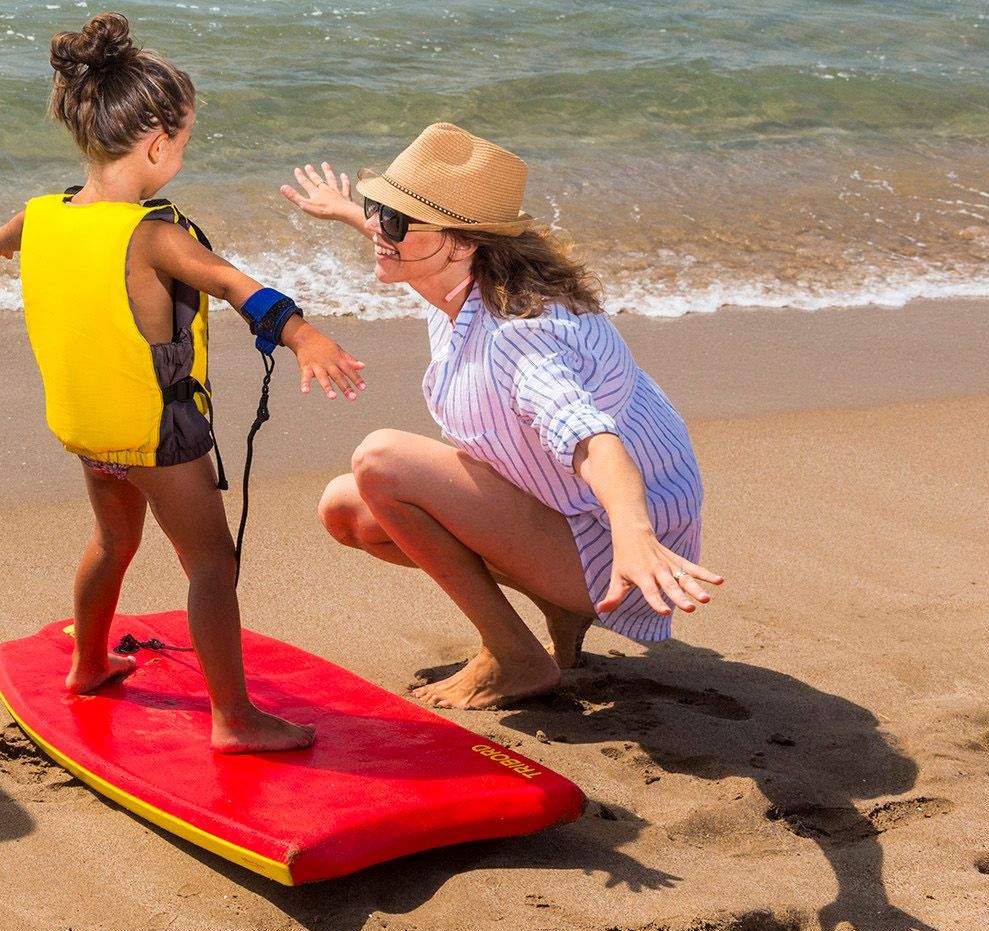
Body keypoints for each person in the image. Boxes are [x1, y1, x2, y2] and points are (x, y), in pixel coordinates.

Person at [0, 14, 366, 753]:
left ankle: (87, 664)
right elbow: (240, 288)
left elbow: (22, 224)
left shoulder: (52, 213)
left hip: (88, 429)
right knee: (211, 562)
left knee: (112, 541)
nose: (182, 151)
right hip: (158, 436)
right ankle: (235, 720)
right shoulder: (153, 234)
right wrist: (305, 335)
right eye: (183, 140)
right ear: (157, 144)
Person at [282, 124, 722, 710]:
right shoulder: (470, 278)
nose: (379, 231)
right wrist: (348, 212)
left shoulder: (522, 337)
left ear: (464, 243)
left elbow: (590, 437)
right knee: (349, 511)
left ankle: (513, 655)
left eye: (393, 220)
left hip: (620, 550)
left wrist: (632, 533)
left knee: (380, 461)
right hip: (574, 513)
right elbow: (421, 240)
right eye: (378, 209)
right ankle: (556, 610)